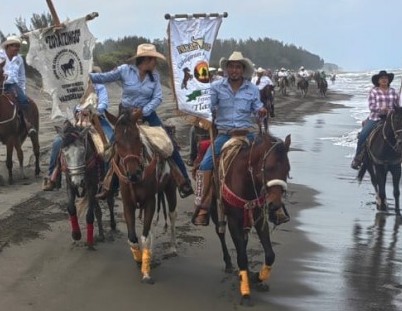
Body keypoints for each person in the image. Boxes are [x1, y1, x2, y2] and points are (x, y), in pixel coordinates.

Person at [89, 43, 193, 198]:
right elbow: (103, 78)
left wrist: (144, 111)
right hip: (125, 116)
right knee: (111, 147)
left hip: (148, 114)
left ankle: (183, 181)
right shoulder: (125, 70)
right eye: (154, 60)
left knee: (169, 143)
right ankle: (108, 184)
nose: (155, 63)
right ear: (146, 60)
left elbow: (157, 97)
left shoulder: (155, 76)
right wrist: (84, 76)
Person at [192, 51, 268, 226]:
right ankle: (202, 206)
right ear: (226, 69)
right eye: (231, 67)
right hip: (225, 135)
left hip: (247, 134)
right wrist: (204, 114)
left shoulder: (253, 89)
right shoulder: (216, 87)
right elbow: (208, 106)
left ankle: (273, 204)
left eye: (238, 67)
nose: (234, 70)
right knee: (205, 164)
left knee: (268, 160)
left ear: (243, 69)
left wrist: (261, 112)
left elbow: (258, 107)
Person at [43, 75, 111, 191]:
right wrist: (78, 111)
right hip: (76, 120)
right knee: (58, 142)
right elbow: (68, 105)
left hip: (96, 120)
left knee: (111, 139)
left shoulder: (100, 87)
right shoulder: (74, 86)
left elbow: (103, 104)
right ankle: (52, 176)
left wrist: (91, 110)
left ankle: (108, 179)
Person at [351, 70, 402, 170]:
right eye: (382, 78)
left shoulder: (394, 91)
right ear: (378, 81)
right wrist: (382, 110)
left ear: (389, 80)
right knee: (363, 135)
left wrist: (401, 113)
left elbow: (398, 106)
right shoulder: (373, 91)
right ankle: (358, 158)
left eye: (386, 78)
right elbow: (371, 106)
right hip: (375, 117)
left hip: (392, 119)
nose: (384, 80)